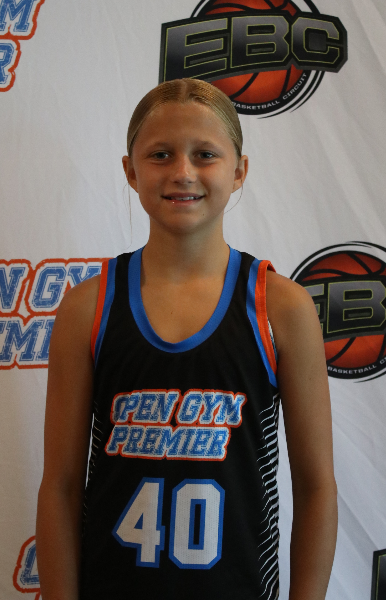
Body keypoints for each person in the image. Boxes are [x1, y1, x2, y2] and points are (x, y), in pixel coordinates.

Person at [36, 78, 337, 600]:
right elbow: (60, 487)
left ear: (239, 171)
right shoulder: (88, 308)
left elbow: (316, 488)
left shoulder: (280, 307)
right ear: (130, 171)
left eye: (205, 154)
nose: (182, 172)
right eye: (160, 154)